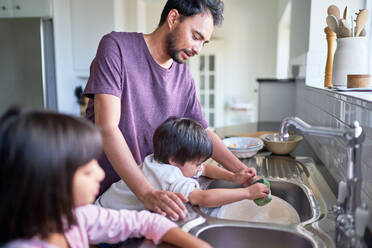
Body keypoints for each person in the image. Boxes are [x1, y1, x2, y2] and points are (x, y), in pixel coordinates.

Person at [83, 0, 257, 221]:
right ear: (173, 19)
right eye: (196, 36)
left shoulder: (182, 75)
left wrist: (241, 172)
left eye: (204, 43)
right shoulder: (116, 47)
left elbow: (204, 131)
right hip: (104, 200)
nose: (198, 49)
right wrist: (146, 193)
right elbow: (107, 128)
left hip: (148, 204)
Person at [0, 108, 211, 248]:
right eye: (87, 171)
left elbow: (148, 221)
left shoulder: (78, 218)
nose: (100, 174)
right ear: (47, 182)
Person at [97, 117, 269, 211]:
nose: (199, 167)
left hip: (102, 206)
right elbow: (203, 198)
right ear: (173, 160)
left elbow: (206, 169)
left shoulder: (159, 159)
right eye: (196, 163)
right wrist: (247, 192)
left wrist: (233, 177)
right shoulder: (168, 176)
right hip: (104, 221)